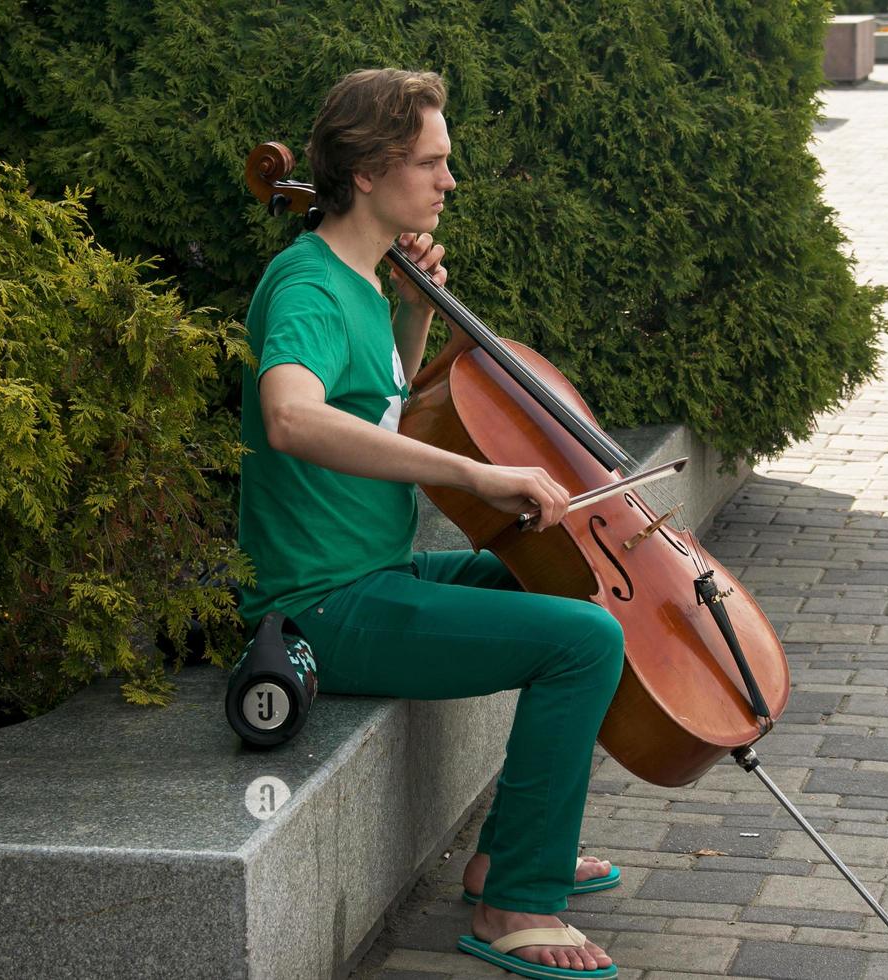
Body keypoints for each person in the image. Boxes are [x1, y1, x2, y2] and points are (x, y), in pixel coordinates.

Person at [237, 68, 624, 978]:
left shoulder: (368, 281)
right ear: (367, 172)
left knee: (568, 582)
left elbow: (380, 406)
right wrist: (474, 473)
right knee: (580, 643)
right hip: (321, 604)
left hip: (381, 573)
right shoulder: (307, 287)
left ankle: (513, 848)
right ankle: (512, 905)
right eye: (431, 162)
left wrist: (412, 315)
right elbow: (292, 415)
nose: (449, 181)